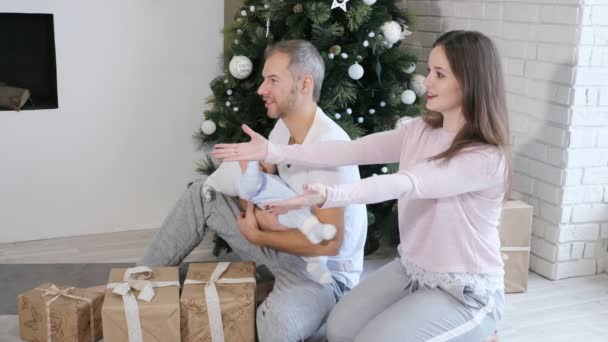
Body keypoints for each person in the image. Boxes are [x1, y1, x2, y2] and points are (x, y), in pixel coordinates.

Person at [212, 30, 510, 341]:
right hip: (413, 271)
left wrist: (329, 194)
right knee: (340, 330)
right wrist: (273, 152)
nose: (427, 82)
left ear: (470, 81)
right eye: (429, 71)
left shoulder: (485, 157)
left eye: (439, 74)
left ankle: (478, 331)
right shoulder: (420, 131)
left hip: (464, 291)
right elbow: (350, 149)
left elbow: (405, 182)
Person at [140, 39, 368, 342]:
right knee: (201, 193)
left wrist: (258, 235)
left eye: (273, 80)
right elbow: (259, 183)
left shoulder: (330, 149)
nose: (261, 89)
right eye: (264, 79)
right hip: (284, 245)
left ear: (304, 84)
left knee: (275, 329)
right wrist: (252, 213)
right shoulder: (283, 129)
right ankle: (137, 280)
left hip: (325, 276)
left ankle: (291, 303)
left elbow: (329, 245)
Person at [239, 160, 337, 285]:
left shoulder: (275, 177)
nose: (259, 164)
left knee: (305, 221)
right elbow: (249, 192)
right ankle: (314, 230)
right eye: (246, 163)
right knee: (299, 216)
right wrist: (251, 163)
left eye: (261, 159)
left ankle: (317, 264)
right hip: (280, 213)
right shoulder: (250, 182)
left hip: (289, 210)